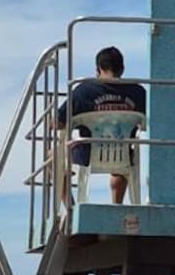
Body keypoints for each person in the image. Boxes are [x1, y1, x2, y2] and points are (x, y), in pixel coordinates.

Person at [56, 46, 147, 203]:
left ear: (98, 69)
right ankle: (116, 205)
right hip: (123, 156)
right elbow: (147, 123)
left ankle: (70, 209)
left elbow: (58, 123)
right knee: (122, 161)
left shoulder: (83, 91)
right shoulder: (138, 92)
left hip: (87, 155)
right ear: (122, 69)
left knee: (53, 158)